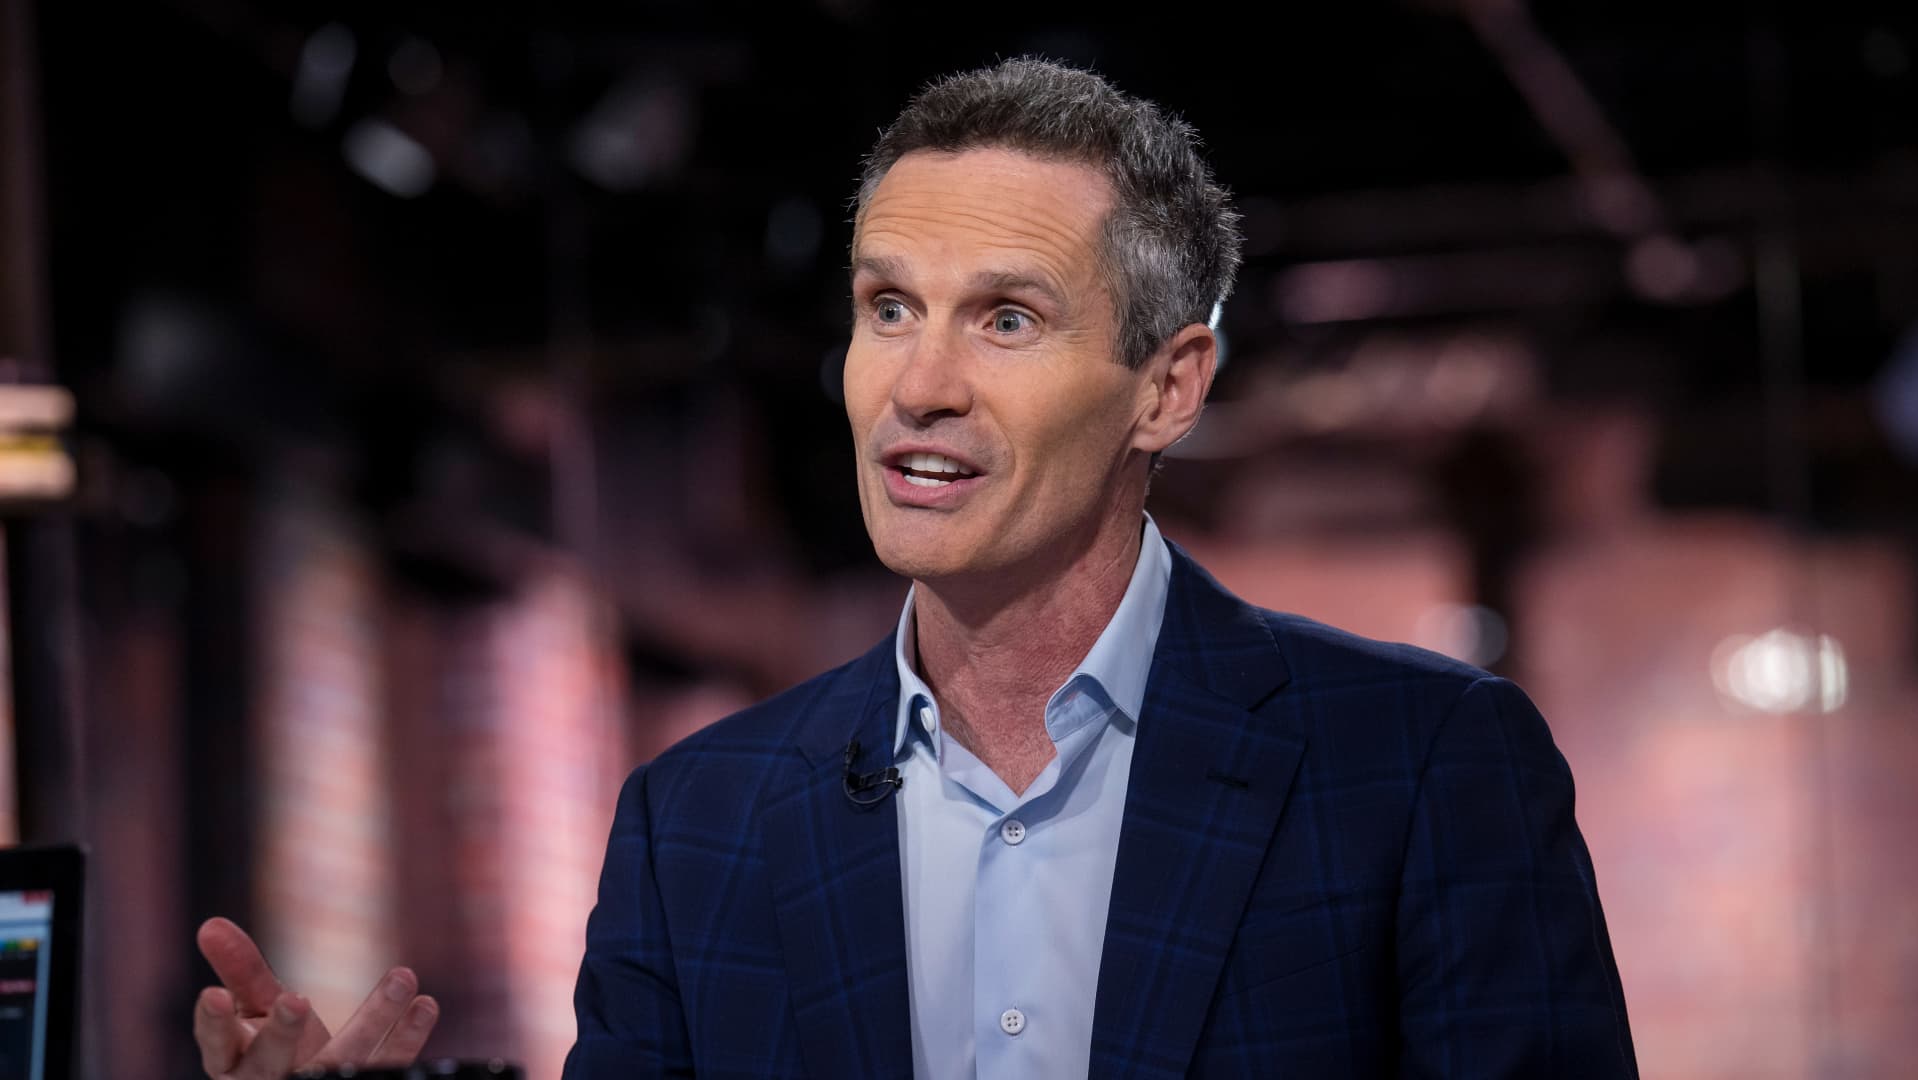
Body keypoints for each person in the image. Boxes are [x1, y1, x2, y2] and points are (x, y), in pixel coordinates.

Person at [195, 58, 1637, 1079]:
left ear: (1168, 387)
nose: (919, 385)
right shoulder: (693, 825)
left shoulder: (1425, 768)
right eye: (889, 308)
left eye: (1006, 320)